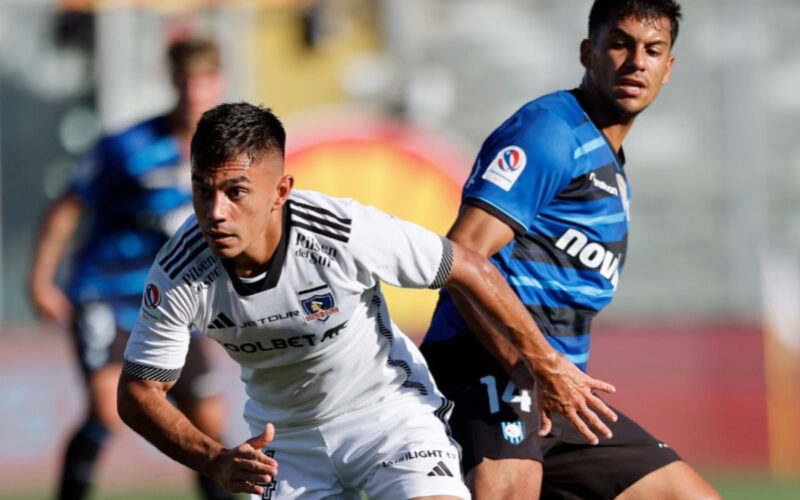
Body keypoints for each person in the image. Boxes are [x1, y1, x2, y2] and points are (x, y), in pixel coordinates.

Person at [116, 102, 619, 500]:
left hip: (388, 417)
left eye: (235, 191)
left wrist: (543, 363)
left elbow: (470, 266)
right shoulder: (181, 270)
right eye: (203, 190)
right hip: (285, 445)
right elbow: (139, 393)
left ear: (281, 191)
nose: (215, 213)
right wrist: (214, 460)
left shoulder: (342, 232)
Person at [419, 1, 723, 499]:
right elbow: (462, 254)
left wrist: (550, 375)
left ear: (668, 69)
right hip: (486, 366)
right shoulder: (551, 131)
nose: (635, 62)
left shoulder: (609, 159)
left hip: (560, 388)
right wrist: (534, 367)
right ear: (589, 52)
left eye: (652, 50)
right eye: (620, 44)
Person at [28, 37, 233, 500]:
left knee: (210, 425)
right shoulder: (127, 146)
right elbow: (67, 207)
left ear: (219, 84)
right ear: (172, 83)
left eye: (204, 81)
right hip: (106, 292)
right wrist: (40, 279)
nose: (195, 92)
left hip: (176, 301)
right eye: (186, 81)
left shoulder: (222, 155)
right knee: (107, 410)